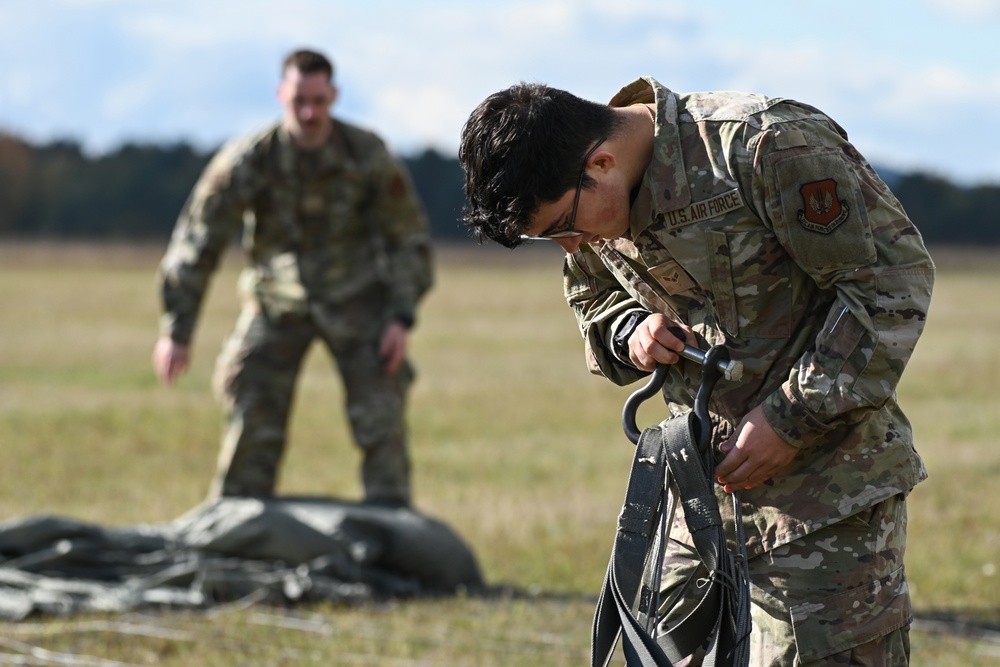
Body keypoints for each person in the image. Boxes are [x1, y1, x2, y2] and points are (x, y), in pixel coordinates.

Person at [459, 78, 934, 665]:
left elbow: (889, 286)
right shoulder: (589, 201)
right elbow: (593, 298)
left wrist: (792, 419)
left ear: (601, 163)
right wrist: (632, 331)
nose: (570, 246)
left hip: (827, 501)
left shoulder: (764, 146)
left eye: (562, 227)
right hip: (697, 500)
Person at [153, 48, 433, 507]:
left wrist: (400, 317)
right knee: (250, 408)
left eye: (319, 101)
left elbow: (409, 239)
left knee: (382, 419)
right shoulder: (250, 159)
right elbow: (198, 241)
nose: (309, 113)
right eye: (299, 100)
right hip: (275, 302)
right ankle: (239, 526)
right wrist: (176, 331)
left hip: (357, 300)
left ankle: (392, 529)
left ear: (334, 97)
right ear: (281, 94)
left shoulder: (366, 154)